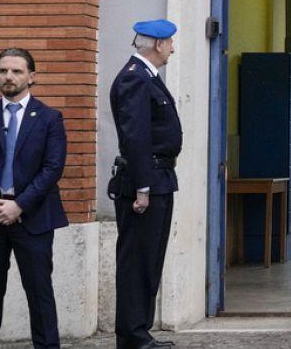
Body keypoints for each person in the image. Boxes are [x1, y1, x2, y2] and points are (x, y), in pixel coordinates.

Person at [0, 48, 68, 349]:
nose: (8, 76)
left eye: (17, 71)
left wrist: (19, 205)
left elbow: (52, 168)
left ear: (31, 76)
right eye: (3, 70)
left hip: (33, 219)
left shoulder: (49, 118)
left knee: (40, 295)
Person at [110, 19, 183, 349]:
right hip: (146, 181)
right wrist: (142, 188)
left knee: (149, 260)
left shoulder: (145, 77)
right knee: (137, 262)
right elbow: (135, 136)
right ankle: (133, 336)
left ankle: (139, 331)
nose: (172, 49)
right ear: (158, 44)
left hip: (158, 177)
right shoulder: (135, 79)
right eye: (170, 43)